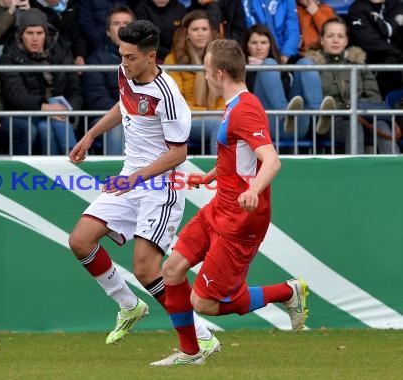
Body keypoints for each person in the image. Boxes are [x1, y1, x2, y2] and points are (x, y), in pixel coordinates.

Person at [151, 38, 308, 366]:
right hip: (219, 207)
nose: (204, 72)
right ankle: (191, 352)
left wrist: (253, 191)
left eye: (206, 66)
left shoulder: (245, 109)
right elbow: (241, 157)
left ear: (219, 73)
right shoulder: (235, 105)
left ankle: (287, 292)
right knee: (172, 269)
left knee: (204, 304)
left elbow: (271, 160)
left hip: (241, 218)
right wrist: (213, 175)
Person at [68, 20, 220, 355]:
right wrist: (92, 134)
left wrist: (133, 180)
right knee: (80, 240)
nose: (123, 62)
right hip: (130, 178)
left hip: (160, 186)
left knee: (146, 267)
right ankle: (128, 305)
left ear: (151, 57)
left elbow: (178, 153)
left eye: (131, 57)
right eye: (121, 55)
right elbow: (125, 105)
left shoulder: (169, 97)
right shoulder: (125, 73)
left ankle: (201, 336)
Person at [305, 16, 400, 153]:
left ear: (346, 41)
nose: (336, 40)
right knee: (354, 126)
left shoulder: (358, 64)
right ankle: (355, 172)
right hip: (330, 122)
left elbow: (375, 98)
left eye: (340, 36)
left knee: (382, 125)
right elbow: (314, 102)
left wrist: (356, 108)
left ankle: (395, 173)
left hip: (363, 118)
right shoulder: (312, 66)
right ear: (321, 40)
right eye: (330, 36)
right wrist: (346, 108)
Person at [0, 8, 80, 155]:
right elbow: (16, 94)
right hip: (26, 113)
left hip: (60, 112)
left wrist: (67, 110)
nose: (35, 38)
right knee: (47, 127)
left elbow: (75, 89)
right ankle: (75, 157)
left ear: (46, 34)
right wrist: (45, 107)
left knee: (50, 125)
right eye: (30, 33)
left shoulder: (61, 51)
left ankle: (68, 160)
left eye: (39, 33)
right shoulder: (10, 56)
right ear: (21, 35)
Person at [243, 24, 335, 140]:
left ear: (270, 45)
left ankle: (319, 114)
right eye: (254, 43)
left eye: (263, 43)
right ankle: (284, 113)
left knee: (305, 63)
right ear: (247, 46)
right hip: (264, 127)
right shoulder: (241, 72)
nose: (259, 47)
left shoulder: (283, 70)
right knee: (269, 64)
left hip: (295, 125)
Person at [164, 10, 223, 154]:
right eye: (195, 29)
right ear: (187, 33)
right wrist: (209, 114)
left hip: (215, 117)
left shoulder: (220, 59)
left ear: (210, 32)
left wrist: (217, 114)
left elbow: (224, 95)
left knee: (227, 124)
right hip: (183, 121)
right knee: (219, 125)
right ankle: (220, 174)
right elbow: (177, 101)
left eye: (204, 29)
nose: (200, 33)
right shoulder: (173, 60)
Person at [82, 5, 135, 155]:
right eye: (116, 23)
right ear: (107, 31)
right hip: (106, 117)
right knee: (118, 128)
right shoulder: (96, 60)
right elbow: (96, 98)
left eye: (126, 23)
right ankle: (118, 177)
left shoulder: (147, 58)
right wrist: (126, 113)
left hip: (140, 116)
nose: (122, 28)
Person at [347, 0, 403, 97]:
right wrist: (400, 54)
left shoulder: (398, 6)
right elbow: (369, 43)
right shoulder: (358, 8)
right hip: (372, 62)